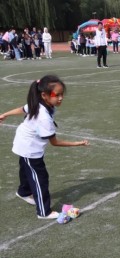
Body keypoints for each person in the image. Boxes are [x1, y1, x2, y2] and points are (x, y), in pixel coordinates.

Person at [0, 75, 89, 219]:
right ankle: (44, 212)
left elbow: (22, 109)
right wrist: (77, 143)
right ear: (44, 95)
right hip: (29, 147)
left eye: (62, 94)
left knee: (26, 168)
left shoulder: (40, 103)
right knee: (40, 178)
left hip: (24, 142)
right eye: (56, 95)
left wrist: (5, 114)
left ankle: (23, 192)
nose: (60, 98)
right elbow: (55, 142)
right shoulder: (44, 117)